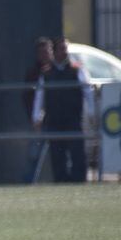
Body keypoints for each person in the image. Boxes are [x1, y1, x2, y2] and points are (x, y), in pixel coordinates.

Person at [31, 36, 93, 183]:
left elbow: (88, 92)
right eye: (62, 49)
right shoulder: (46, 73)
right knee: (57, 155)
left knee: (77, 152)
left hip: (73, 118)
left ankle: (79, 181)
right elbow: (39, 96)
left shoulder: (77, 70)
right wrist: (36, 117)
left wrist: (92, 113)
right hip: (54, 119)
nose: (64, 52)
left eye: (66, 49)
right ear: (55, 51)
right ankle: (61, 182)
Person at [24, 37, 53, 183]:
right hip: (39, 122)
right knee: (34, 154)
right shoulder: (33, 73)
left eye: (47, 51)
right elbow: (29, 98)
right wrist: (35, 118)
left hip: (56, 119)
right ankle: (30, 181)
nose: (45, 55)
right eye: (41, 52)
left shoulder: (57, 72)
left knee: (61, 152)